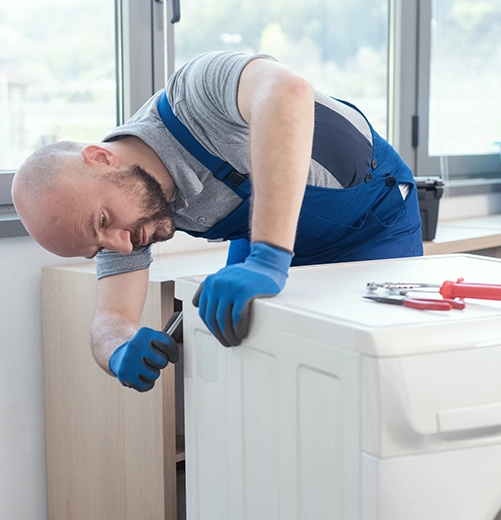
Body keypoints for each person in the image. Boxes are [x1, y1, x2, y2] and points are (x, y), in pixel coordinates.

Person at [12, 51, 423, 392]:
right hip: (269, 245)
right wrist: (119, 350)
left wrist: (267, 258)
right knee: (261, 380)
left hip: (373, 224)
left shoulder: (195, 93)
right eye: (99, 247)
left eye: (103, 221)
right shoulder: (125, 218)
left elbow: (289, 91)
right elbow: (109, 321)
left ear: (101, 158)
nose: (119, 246)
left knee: (378, 379)